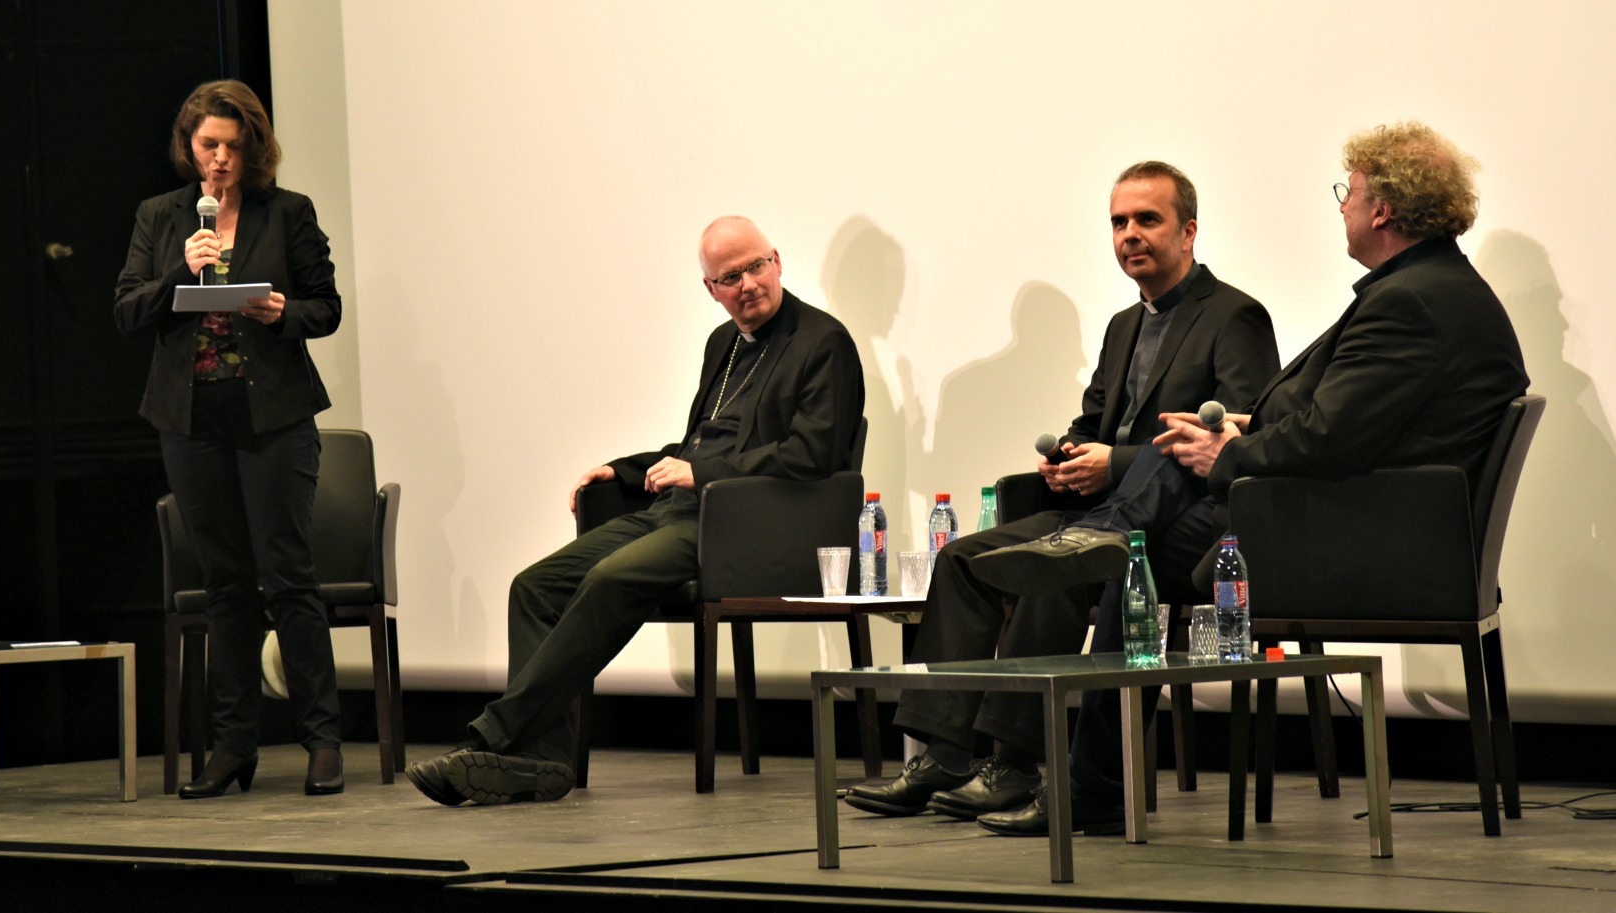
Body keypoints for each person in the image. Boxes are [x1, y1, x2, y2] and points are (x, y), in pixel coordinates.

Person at [965, 121, 1530, 836]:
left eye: (1347, 193)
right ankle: (1088, 739)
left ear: (1382, 209)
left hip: (1362, 544)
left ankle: (1093, 777)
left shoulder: (1410, 301)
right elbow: (1346, 426)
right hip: (1371, 521)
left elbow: (1327, 437)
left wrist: (1227, 453)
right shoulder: (1427, 288)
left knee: (1132, 552)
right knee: (1167, 483)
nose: (1342, 206)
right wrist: (1237, 434)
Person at [845, 163, 1279, 821]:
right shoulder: (1120, 326)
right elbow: (1093, 420)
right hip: (1098, 506)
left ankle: (1014, 763)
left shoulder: (1232, 315)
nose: (1128, 234)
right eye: (1117, 222)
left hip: (1181, 517)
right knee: (964, 561)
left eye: (1146, 219)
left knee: (1060, 566)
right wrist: (1070, 455)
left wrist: (1119, 461)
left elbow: (1233, 437)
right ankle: (941, 753)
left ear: (1188, 231)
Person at [405, 216, 866, 806]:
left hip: (745, 527)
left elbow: (814, 454)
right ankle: (543, 763)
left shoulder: (822, 341)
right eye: (730, 276)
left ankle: (494, 735)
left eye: (756, 267)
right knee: (535, 585)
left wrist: (702, 475)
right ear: (711, 289)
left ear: (777, 261)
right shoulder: (721, 346)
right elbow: (700, 445)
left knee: (609, 577)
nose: (747, 284)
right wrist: (622, 471)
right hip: (683, 512)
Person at [114, 80, 345, 798]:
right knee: (224, 587)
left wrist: (282, 313)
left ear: (253, 149)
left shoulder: (289, 213)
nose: (218, 160)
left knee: (288, 577)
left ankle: (321, 740)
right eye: (207, 145)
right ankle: (232, 745)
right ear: (190, 148)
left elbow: (325, 306)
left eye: (232, 147)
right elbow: (127, 311)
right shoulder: (162, 217)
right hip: (192, 421)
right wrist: (180, 271)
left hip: (272, 417)